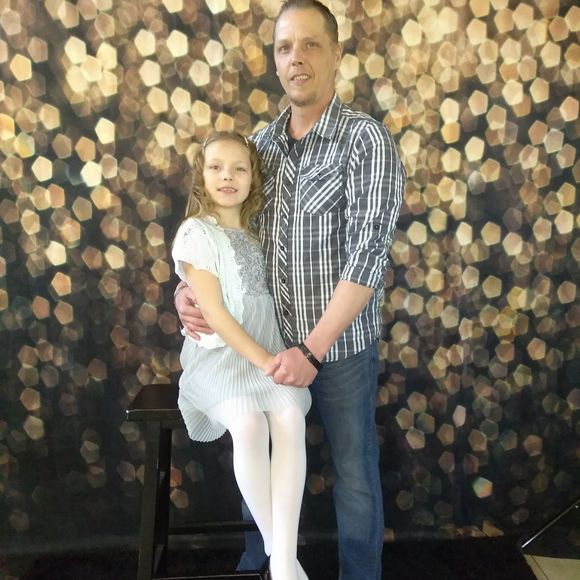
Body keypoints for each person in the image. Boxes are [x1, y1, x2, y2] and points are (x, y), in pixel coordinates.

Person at [176, 1, 406, 578]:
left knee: (354, 471)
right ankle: (267, 565)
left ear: (336, 54)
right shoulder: (257, 149)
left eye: (310, 45)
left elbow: (368, 255)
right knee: (259, 445)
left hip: (340, 347)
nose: (296, 58)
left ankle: (358, 575)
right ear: (275, 61)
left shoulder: (365, 140)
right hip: (266, 343)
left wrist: (313, 348)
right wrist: (188, 292)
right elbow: (222, 239)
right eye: (284, 48)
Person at [172, 130, 311, 580]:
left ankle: (283, 558)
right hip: (220, 361)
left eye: (238, 168)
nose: (227, 177)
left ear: (253, 178)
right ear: (202, 175)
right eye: (216, 167)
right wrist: (267, 362)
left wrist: (270, 360)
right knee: (249, 425)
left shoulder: (255, 235)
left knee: (289, 418)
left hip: (264, 352)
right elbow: (213, 312)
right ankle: (284, 560)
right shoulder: (196, 233)